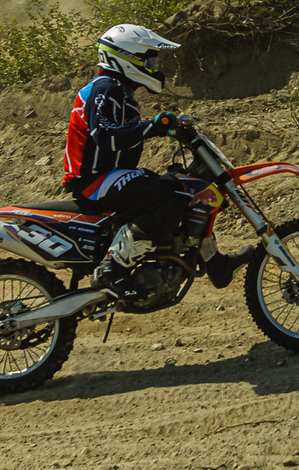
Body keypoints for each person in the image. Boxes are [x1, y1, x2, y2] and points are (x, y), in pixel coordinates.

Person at [63, 23, 204, 289]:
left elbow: (122, 133)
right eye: (148, 59)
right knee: (169, 201)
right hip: (93, 179)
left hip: (107, 177)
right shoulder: (105, 88)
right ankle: (111, 268)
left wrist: (170, 132)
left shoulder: (117, 89)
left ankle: (216, 262)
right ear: (126, 58)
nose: (152, 66)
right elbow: (105, 136)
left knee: (178, 187)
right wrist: (153, 127)